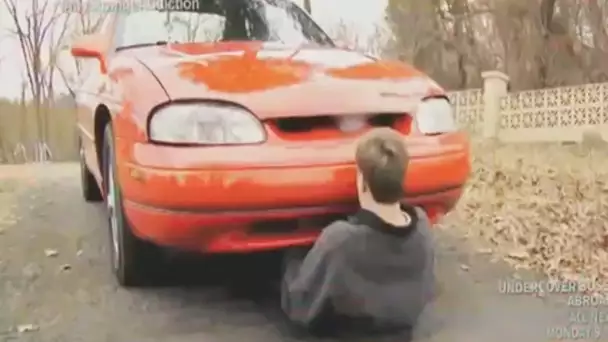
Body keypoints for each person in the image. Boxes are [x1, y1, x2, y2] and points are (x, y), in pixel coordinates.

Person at [280, 127, 435, 338]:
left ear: (362, 183)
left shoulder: (341, 241)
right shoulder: (422, 230)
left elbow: (300, 304)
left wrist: (293, 254)